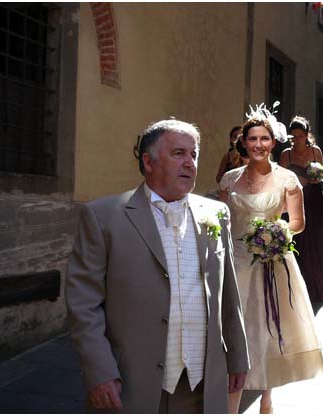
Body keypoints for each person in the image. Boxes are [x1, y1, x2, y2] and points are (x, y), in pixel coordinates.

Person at [65, 119, 250, 413]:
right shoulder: (103, 217)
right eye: (178, 153)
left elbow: (228, 294)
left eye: (194, 154)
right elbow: (83, 304)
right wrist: (99, 371)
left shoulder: (217, 213)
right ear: (148, 162)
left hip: (203, 384)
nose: (189, 162)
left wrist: (238, 356)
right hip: (133, 383)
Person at [219, 106, 323, 414]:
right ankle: (231, 405)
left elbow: (298, 222)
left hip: (270, 260)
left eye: (264, 139)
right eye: (252, 139)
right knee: (235, 330)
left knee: (268, 327)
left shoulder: (287, 179)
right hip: (235, 262)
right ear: (244, 142)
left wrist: (274, 234)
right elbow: (222, 220)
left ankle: (266, 396)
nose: (258, 144)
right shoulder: (229, 179)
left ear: (273, 143)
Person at [279, 116, 323, 306]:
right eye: (293, 136)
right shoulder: (286, 154)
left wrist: (315, 177)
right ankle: (297, 288)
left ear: (306, 135)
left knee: (316, 242)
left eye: (300, 136)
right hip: (294, 202)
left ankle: (319, 287)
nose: (297, 140)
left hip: (314, 200)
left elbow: (322, 174)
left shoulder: (315, 151)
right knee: (298, 242)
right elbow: (281, 179)